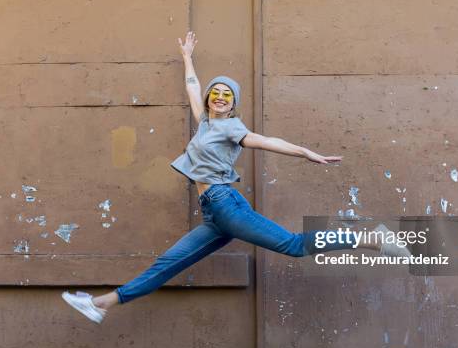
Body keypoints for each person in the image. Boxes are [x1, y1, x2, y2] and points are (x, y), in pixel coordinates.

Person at [62, 31, 409, 323]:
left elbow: (266, 141)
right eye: (217, 93)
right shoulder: (205, 123)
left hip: (225, 203)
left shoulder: (231, 127)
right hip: (214, 215)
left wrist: (305, 152)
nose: (220, 98)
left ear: (233, 104)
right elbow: (192, 89)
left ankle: (372, 238)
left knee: (293, 245)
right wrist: (187, 57)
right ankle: (101, 304)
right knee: (169, 263)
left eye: (228, 96)